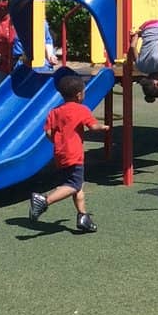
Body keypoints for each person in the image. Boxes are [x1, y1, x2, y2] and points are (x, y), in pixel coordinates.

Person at [29, 72, 109, 233]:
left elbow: (48, 133)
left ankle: (83, 217)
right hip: (74, 154)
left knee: (78, 187)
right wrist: (103, 127)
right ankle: (44, 200)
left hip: (60, 153)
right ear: (79, 95)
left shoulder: (55, 111)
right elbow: (93, 126)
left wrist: (59, 143)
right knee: (74, 185)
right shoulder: (81, 110)